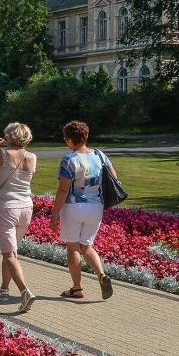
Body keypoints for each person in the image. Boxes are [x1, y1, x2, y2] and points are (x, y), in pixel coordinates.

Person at [0, 121, 38, 313]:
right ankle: (4, 289)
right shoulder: (32, 156)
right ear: (27, 137)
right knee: (11, 252)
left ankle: (25, 292)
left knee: (9, 254)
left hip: (6, 208)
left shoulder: (1, 154)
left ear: (8, 137)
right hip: (26, 207)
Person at [50, 120, 115, 300]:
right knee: (86, 246)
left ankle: (77, 288)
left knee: (72, 248)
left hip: (74, 206)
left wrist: (55, 215)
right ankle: (102, 275)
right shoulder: (100, 156)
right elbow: (114, 178)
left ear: (70, 140)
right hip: (96, 206)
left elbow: (63, 190)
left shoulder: (69, 160)